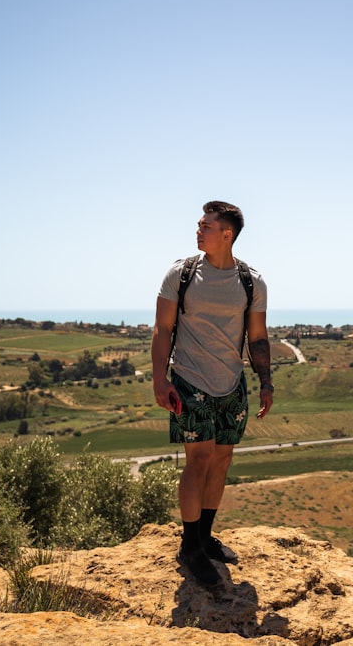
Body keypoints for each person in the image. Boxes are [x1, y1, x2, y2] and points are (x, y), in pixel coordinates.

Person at [151, 201, 273, 588]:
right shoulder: (181, 273)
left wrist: (266, 381)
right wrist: (160, 379)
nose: (198, 230)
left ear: (227, 234)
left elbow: (258, 337)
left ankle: (204, 536)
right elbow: (162, 329)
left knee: (221, 461)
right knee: (199, 461)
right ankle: (190, 548)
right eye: (199, 224)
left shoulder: (251, 282)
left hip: (231, 383)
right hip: (189, 380)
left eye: (206, 225)